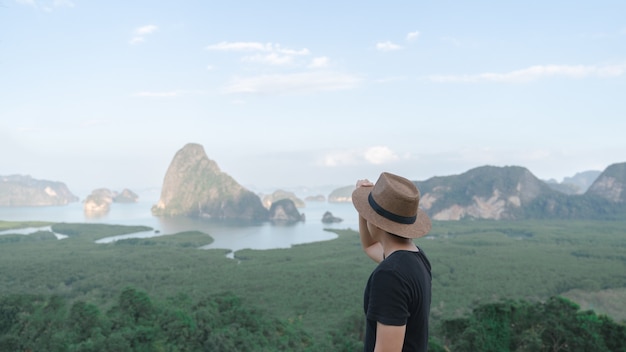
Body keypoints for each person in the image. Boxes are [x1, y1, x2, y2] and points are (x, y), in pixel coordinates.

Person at [352, 172, 432, 351]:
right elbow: (370, 246)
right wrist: (364, 212)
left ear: (377, 222)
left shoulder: (389, 276)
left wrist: (366, 207)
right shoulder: (417, 257)